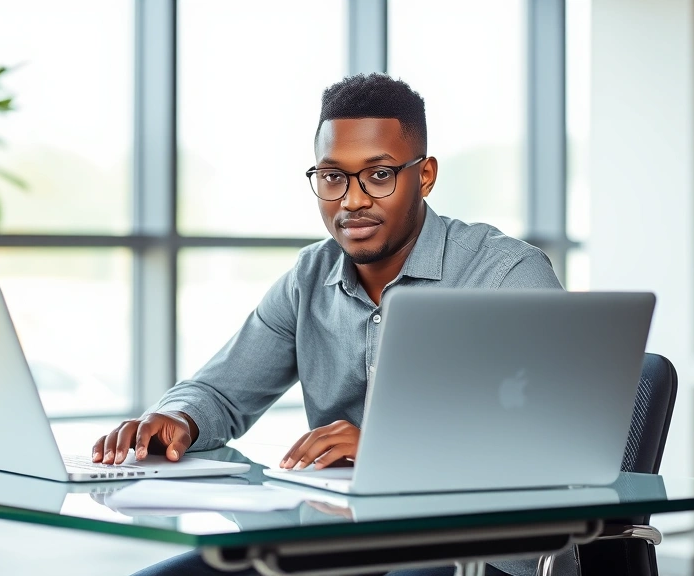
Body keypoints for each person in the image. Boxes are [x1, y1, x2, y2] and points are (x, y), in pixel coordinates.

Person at [96, 74, 567, 576]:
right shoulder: (309, 276)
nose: (352, 200)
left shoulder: (506, 275)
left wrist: (391, 451)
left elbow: (556, 441)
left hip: (472, 553)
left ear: (425, 176)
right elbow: (221, 393)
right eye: (332, 176)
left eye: (379, 175)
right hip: (335, 545)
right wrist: (178, 420)